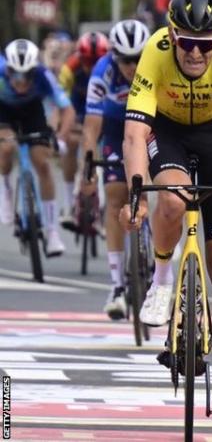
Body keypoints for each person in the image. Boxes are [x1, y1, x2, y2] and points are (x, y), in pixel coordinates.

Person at [120, 0, 212, 421]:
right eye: (187, 43)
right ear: (172, 34)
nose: (196, 54)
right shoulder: (155, 51)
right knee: (170, 196)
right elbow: (132, 134)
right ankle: (163, 278)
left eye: (206, 45)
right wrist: (134, 194)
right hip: (167, 131)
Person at [80, 20, 151, 319]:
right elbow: (90, 128)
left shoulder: (157, 67)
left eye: (138, 59)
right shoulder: (102, 72)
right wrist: (88, 168)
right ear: (114, 57)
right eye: (126, 60)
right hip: (114, 131)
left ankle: (159, 265)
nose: (133, 67)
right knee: (114, 196)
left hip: (151, 129)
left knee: (158, 187)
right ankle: (117, 285)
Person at [0, 39, 75, 255]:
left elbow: (67, 110)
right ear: (8, 69)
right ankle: (5, 188)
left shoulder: (44, 75)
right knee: (6, 148)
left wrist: (60, 139)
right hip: (4, 111)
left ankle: (52, 232)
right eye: (15, 74)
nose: (20, 81)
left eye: (27, 75)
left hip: (32, 112)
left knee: (43, 164)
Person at [59, 32, 110, 227]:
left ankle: (105, 204)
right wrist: (62, 126)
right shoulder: (69, 69)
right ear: (80, 57)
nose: (91, 66)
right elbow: (61, 103)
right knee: (71, 143)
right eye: (87, 61)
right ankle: (69, 200)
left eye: (96, 61)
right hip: (78, 110)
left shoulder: (111, 68)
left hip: (105, 111)